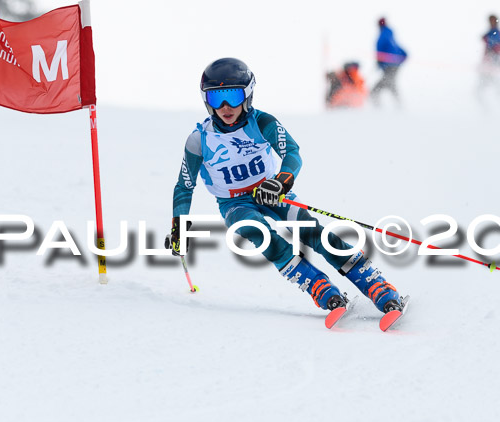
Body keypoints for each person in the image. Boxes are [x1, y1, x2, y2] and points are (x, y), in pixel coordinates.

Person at [166, 57, 404, 315]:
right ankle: (318, 285)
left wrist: (280, 182)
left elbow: (291, 152)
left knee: (313, 233)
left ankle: (376, 285)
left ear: (247, 94)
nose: (225, 106)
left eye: (233, 96)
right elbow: (184, 186)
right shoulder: (199, 140)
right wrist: (180, 226)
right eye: (215, 98)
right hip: (234, 202)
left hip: (271, 192)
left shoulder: (261, 122)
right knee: (257, 231)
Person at [371, 17, 407, 106]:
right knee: (391, 85)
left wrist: (380, 61)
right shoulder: (390, 34)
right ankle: (399, 106)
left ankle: (378, 110)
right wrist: (401, 57)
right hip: (393, 66)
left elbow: (381, 48)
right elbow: (400, 50)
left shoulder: (384, 35)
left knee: (376, 89)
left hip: (390, 66)